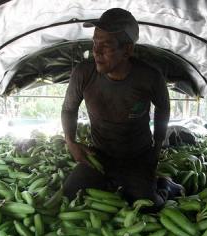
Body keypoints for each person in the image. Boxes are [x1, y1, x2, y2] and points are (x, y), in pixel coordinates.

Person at [61, 8, 183, 207]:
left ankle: (165, 185)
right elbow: (68, 108)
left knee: (149, 206)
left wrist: (157, 146)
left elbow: (163, 107)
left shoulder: (149, 76)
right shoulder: (83, 73)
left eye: (106, 45)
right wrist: (70, 142)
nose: (96, 51)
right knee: (68, 194)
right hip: (99, 155)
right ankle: (113, 183)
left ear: (127, 50)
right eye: (94, 43)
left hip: (137, 157)